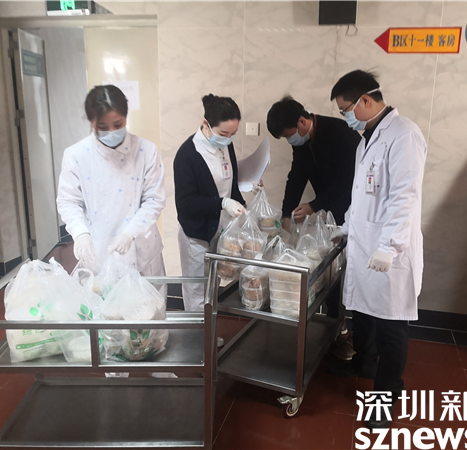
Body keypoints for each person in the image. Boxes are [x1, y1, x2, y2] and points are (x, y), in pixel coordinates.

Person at [328, 70, 427, 429]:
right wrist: (344, 229)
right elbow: (361, 197)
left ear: (365, 101)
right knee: (366, 316)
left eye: (345, 110)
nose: (346, 117)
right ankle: (364, 364)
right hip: (367, 247)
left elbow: (405, 197)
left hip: (389, 253)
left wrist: (390, 246)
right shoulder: (366, 142)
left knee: (390, 325)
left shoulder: (404, 136)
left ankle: (387, 395)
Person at [57, 85, 168, 378]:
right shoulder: (76, 155)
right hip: (102, 249)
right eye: (102, 126)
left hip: (141, 246)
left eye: (117, 124)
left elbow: (154, 200)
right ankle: (116, 371)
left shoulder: (146, 150)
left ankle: (158, 364)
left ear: (127, 117)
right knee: (111, 316)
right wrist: (80, 233)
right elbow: (68, 201)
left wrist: (130, 232)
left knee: (151, 313)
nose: (111, 131)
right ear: (91, 122)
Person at [174, 94, 246, 345]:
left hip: (220, 228)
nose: (228, 138)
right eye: (224, 133)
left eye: (233, 133)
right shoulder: (187, 155)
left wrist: (242, 204)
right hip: (197, 233)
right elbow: (186, 203)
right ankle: (198, 343)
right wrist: (222, 203)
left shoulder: (226, 145)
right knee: (197, 290)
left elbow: (231, 183)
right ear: (206, 124)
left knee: (212, 286)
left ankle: (207, 334)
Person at [266, 96, 360, 230]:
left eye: (288, 135)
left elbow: (347, 180)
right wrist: (287, 214)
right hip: (332, 207)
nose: (289, 140)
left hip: (355, 205)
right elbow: (297, 177)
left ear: (302, 121)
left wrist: (313, 206)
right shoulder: (301, 142)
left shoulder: (339, 132)